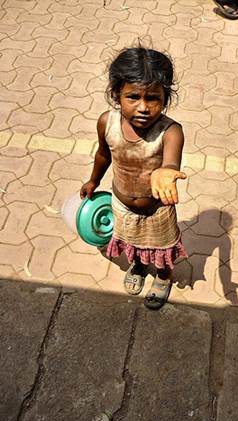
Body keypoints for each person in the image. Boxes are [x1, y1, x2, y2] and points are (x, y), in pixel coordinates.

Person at [80, 46, 188, 310]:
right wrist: (93, 180)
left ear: (165, 99)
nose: (143, 107)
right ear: (117, 94)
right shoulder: (107, 123)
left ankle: (163, 276)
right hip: (121, 204)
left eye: (153, 98)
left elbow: (171, 160)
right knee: (132, 242)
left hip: (157, 210)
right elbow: (103, 154)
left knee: (162, 249)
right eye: (133, 97)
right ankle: (138, 265)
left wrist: (166, 170)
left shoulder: (171, 131)